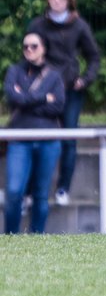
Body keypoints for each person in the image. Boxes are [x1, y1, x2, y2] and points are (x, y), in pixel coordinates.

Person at [26, 0, 100, 208]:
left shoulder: (79, 26)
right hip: (44, 91)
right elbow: (27, 56)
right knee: (36, 139)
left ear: (69, 1)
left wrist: (85, 80)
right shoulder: (38, 25)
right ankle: (29, 193)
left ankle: (62, 189)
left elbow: (94, 57)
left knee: (69, 139)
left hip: (70, 92)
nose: (56, 1)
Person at [4, 32, 66, 234]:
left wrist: (27, 98)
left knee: (40, 194)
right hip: (19, 139)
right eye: (25, 47)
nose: (29, 50)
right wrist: (42, 98)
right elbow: (13, 98)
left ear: (44, 49)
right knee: (14, 192)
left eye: (34, 46)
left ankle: (36, 238)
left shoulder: (54, 75)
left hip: (48, 140)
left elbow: (58, 107)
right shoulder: (14, 71)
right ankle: (11, 238)